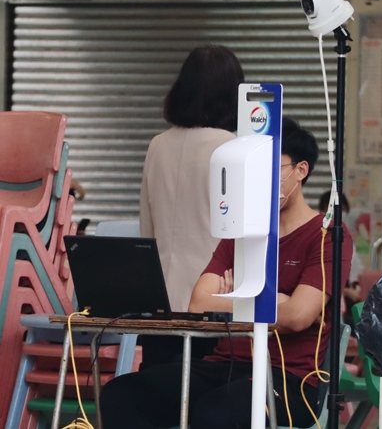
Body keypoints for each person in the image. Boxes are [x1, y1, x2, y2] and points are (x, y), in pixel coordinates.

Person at [100, 117, 353, 429]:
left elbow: (299, 316)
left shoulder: (327, 235)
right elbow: (199, 302)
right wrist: (275, 299)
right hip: (223, 365)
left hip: (288, 379)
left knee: (215, 414)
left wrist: (234, 298)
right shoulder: (241, 232)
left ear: (301, 170)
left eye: (270, 168)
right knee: (121, 394)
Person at [140, 45, 243, 313]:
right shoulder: (234, 148)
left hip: (160, 293)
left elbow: (147, 229)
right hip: (215, 293)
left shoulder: (157, 145)